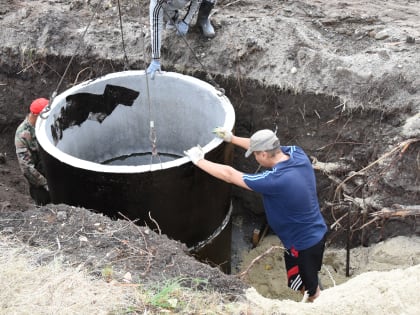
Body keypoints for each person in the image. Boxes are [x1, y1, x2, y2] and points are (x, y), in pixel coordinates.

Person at [184, 127, 328, 302]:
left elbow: (230, 175)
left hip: (303, 244)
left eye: (255, 154)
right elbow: (264, 147)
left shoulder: (276, 180)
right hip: (311, 234)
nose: (254, 157)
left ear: (264, 155)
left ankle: (316, 303)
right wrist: (232, 138)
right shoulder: (297, 154)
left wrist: (199, 161)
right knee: (305, 277)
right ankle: (312, 287)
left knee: (311, 290)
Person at [147, 0, 217, 78]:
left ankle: (203, 20)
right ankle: (173, 15)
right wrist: (155, 59)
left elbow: (196, 2)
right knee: (165, 11)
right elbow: (156, 28)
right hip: (172, 5)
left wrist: (186, 21)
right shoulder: (157, 4)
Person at [15, 98, 51, 206]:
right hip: (39, 181)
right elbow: (27, 168)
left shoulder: (44, 126)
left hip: (51, 171)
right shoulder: (23, 136)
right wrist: (45, 183)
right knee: (45, 206)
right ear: (36, 115)